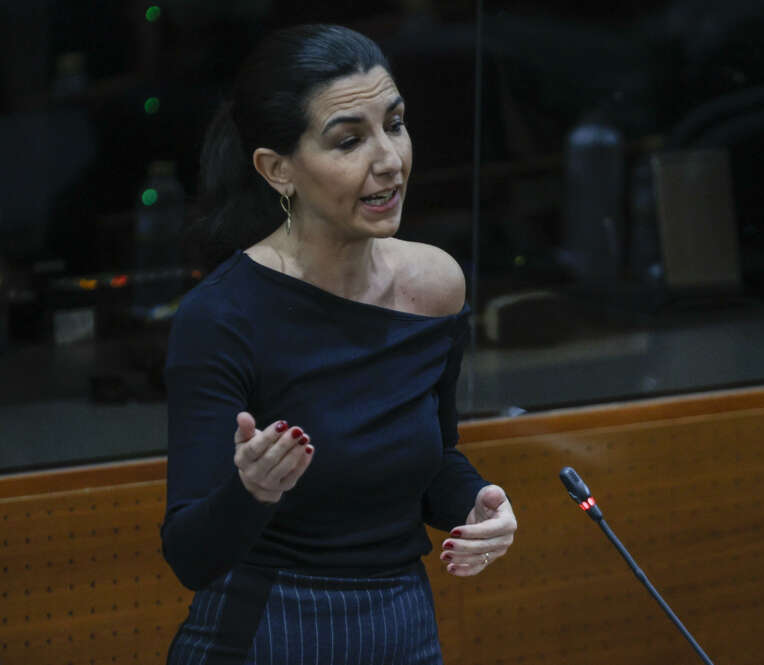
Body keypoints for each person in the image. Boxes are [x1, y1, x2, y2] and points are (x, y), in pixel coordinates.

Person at [160, 24, 517, 664]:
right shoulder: (223, 315)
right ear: (278, 170)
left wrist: (477, 505)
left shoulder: (435, 285)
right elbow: (189, 554)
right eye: (349, 140)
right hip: (270, 630)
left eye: (396, 124)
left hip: (405, 626)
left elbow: (431, 459)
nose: (389, 159)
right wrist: (252, 492)